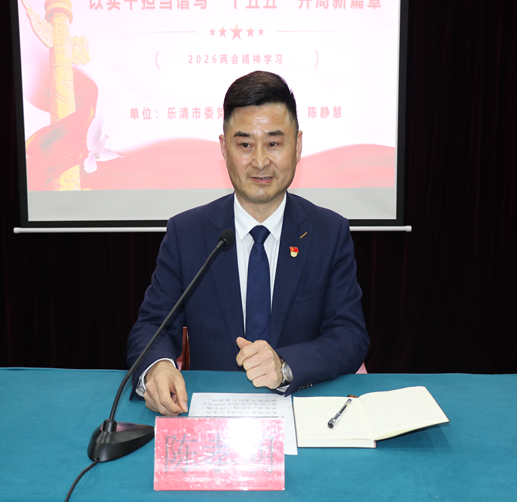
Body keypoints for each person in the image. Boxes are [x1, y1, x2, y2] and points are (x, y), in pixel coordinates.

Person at [127, 71, 369, 416]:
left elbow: (349, 335)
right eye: (244, 145)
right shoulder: (188, 233)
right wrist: (158, 367)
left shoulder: (328, 232)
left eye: (273, 143)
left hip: (302, 409)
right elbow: (152, 326)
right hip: (210, 412)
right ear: (224, 148)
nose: (259, 161)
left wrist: (285, 365)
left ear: (297, 146)